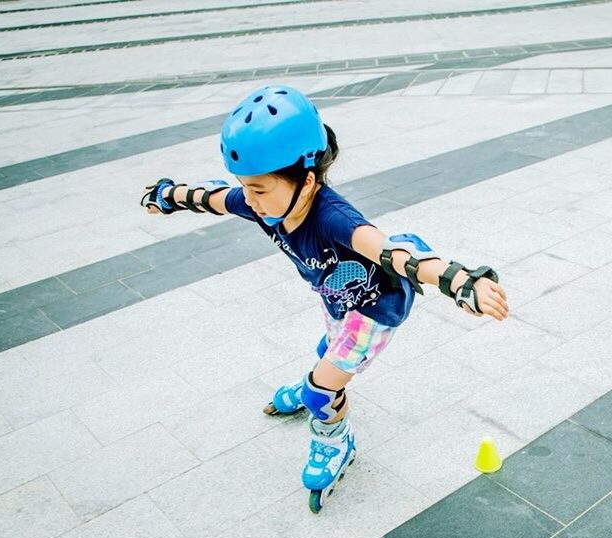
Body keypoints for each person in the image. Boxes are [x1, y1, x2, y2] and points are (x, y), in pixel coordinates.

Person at [140, 85, 508, 512]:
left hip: (374, 307)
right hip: (338, 296)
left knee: (321, 391)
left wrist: (459, 280)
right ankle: (322, 377)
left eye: (259, 190)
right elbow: (213, 197)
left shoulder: (334, 218)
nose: (251, 201)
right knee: (326, 351)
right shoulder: (269, 201)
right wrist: (167, 197)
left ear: (308, 180)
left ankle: (335, 440)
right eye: (248, 188)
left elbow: (392, 253)